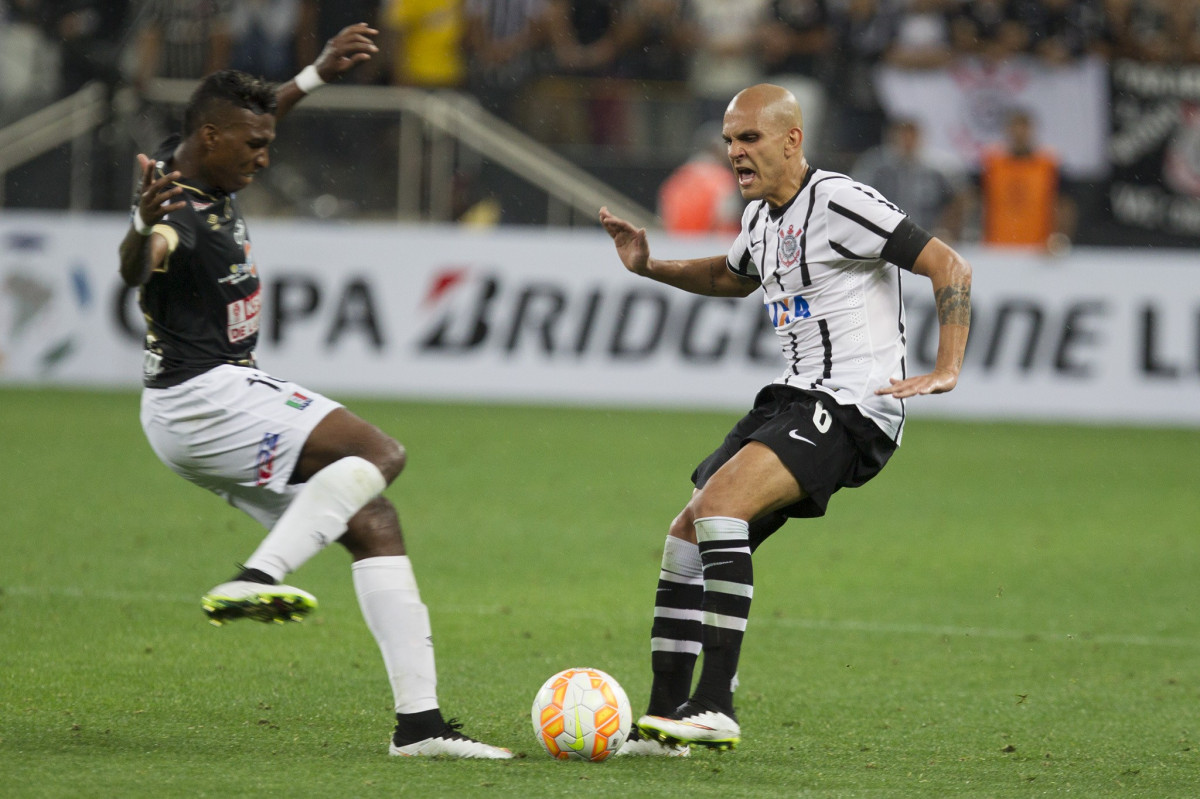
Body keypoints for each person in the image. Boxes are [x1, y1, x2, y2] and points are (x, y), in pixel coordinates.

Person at [117, 24, 511, 760]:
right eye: (252, 148)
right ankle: (258, 574)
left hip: (200, 401)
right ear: (208, 137)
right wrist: (140, 225)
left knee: (373, 518)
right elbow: (141, 264)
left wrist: (316, 74)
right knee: (379, 451)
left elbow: (255, 119)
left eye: (267, 144)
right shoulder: (176, 210)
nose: (265, 160)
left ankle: (419, 726)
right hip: (204, 395)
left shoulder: (205, 162)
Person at [600, 83, 971, 754]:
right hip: (794, 399)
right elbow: (731, 277)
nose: (735, 152)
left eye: (749, 139)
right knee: (685, 535)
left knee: (719, 509)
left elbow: (948, 264)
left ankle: (715, 704)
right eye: (729, 141)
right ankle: (663, 723)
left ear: (792, 140)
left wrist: (948, 365)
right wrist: (651, 266)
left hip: (855, 405)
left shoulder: (838, 201)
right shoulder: (759, 219)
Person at [852, 117, 968, 243]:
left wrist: (946, 229)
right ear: (892, 138)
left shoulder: (939, 169)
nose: (907, 143)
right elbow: (856, 197)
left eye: (911, 137)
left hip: (927, 238)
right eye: (902, 137)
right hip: (885, 237)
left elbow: (960, 199)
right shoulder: (875, 167)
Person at [978, 108, 1075, 252]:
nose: (1019, 133)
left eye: (1023, 127)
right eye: (1014, 127)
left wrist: (1060, 237)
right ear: (1007, 130)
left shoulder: (1049, 164)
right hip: (996, 247)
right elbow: (974, 200)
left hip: (1039, 250)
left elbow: (1064, 204)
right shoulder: (992, 163)